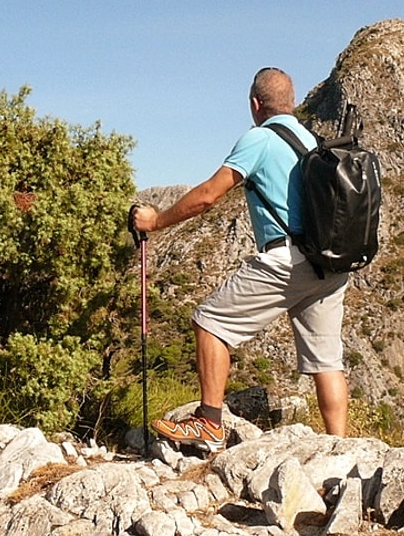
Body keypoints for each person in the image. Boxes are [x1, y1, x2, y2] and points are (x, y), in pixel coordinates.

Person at [130, 67, 349, 453]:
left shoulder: (261, 139)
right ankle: (341, 450)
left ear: (254, 104)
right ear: (291, 102)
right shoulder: (310, 139)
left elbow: (208, 196)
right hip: (329, 264)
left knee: (209, 323)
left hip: (287, 259)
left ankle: (210, 423)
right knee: (326, 360)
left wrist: (157, 221)